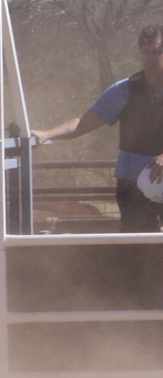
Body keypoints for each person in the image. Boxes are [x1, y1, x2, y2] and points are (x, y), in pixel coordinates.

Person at [31, 26, 163, 232]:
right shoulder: (124, 90)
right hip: (133, 182)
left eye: (156, 52)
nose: (150, 58)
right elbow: (84, 121)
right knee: (136, 246)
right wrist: (47, 134)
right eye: (146, 52)